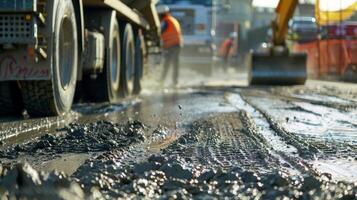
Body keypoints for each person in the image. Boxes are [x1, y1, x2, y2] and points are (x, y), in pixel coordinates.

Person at [157, 5, 183, 87]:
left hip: (171, 45)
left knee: (167, 64)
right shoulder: (173, 20)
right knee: (175, 64)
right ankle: (175, 82)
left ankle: (161, 82)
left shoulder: (166, 21)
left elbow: (160, 32)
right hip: (177, 44)